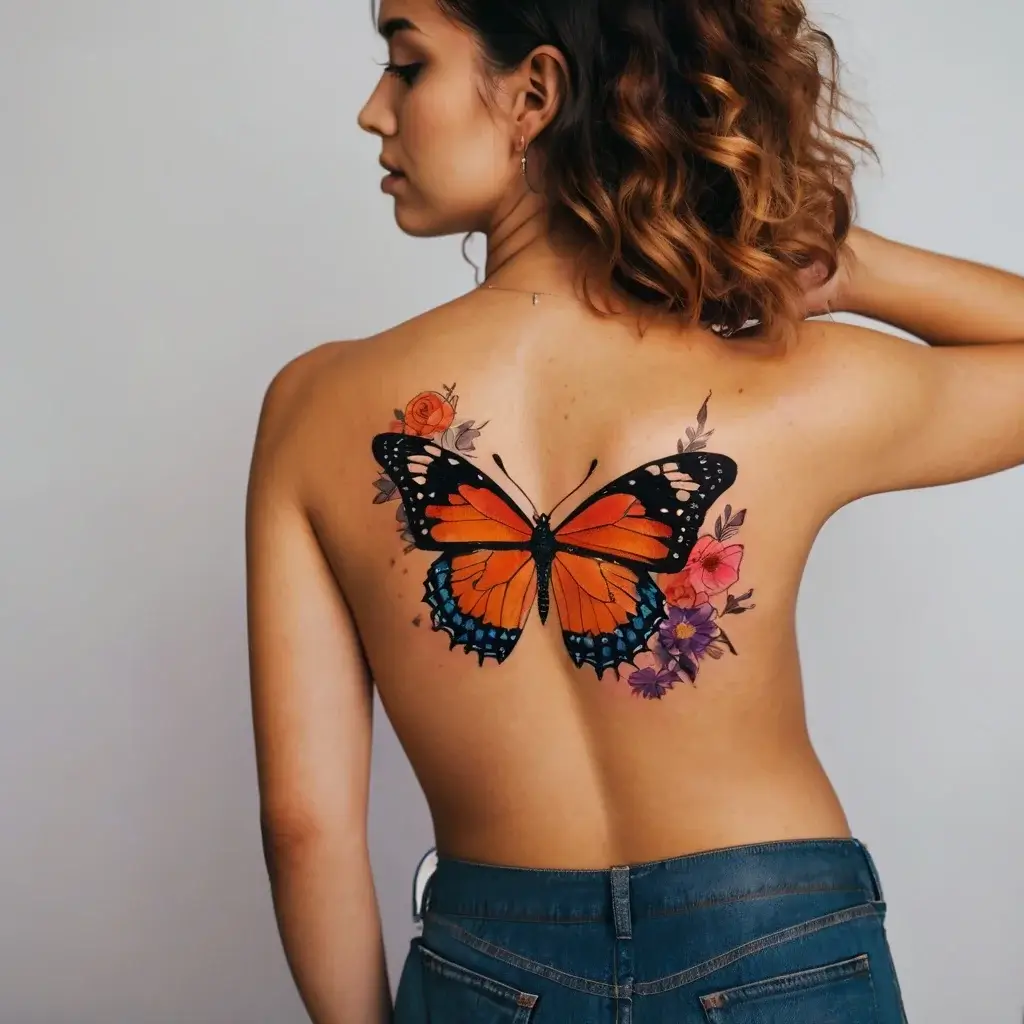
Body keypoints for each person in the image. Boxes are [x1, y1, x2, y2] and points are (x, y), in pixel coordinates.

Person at [244, 1, 1023, 1021]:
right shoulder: (782, 388)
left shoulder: (315, 408)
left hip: (492, 966)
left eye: (405, 65)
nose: (372, 111)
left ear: (534, 95)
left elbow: (304, 824)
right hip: (775, 943)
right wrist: (853, 263)